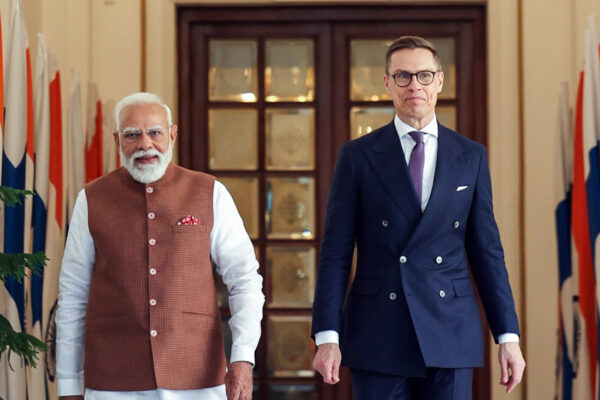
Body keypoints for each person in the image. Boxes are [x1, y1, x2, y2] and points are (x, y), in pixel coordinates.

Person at [311, 36, 525, 399]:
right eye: (403, 76)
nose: (415, 86)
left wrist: (508, 336)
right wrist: (327, 335)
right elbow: (335, 253)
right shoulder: (358, 156)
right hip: (379, 329)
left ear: (440, 81)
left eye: (424, 75)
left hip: (450, 329)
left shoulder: (470, 156)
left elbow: (487, 252)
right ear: (387, 83)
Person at [56, 92, 264, 400]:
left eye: (155, 132)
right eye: (132, 135)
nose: (145, 144)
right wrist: (69, 383)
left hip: (198, 378)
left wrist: (243, 358)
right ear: (116, 140)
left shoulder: (210, 192)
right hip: (113, 381)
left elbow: (245, 280)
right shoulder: (91, 199)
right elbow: (73, 296)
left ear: (172, 135)